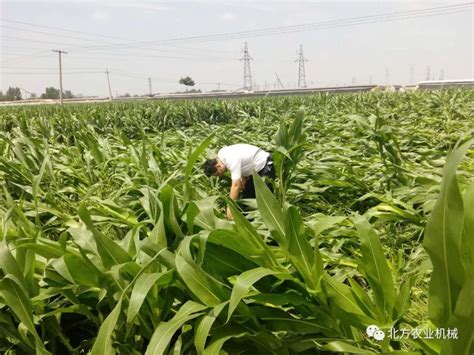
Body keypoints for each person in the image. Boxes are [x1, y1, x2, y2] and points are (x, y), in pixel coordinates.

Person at [203, 143, 275, 220]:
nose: (219, 176)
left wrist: (230, 209)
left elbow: (236, 185)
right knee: (247, 197)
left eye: (217, 174)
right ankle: (249, 221)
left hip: (264, 165)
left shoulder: (229, 160)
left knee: (265, 199)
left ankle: (269, 221)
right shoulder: (221, 154)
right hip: (254, 170)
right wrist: (243, 176)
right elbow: (241, 159)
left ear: (218, 166)